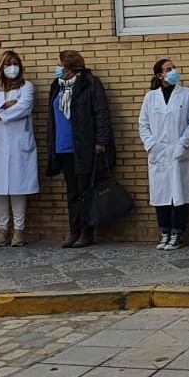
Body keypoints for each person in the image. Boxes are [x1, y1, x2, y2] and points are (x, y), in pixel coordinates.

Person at [44, 50, 115, 249]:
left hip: (84, 145)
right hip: (63, 146)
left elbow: (100, 111)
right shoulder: (56, 86)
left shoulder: (90, 83)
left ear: (71, 67)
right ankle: (74, 229)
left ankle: (87, 231)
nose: (58, 69)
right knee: (72, 191)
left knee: (86, 190)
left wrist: (101, 141)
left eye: (61, 65)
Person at [0, 50, 39, 246]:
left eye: (16, 63)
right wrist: (4, 104)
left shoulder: (26, 86)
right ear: (1, 67)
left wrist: (0, 115)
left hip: (19, 144)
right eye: (8, 64)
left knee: (18, 189)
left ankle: (19, 231)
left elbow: (24, 107)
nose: (12, 67)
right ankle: (2, 230)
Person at [139, 58, 189, 251]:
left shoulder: (186, 94)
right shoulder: (150, 97)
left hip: (178, 151)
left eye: (174, 68)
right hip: (158, 154)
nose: (173, 71)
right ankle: (164, 232)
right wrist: (151, 146)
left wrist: (183, 143)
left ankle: (177, 234)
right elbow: (143, 124)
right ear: (160, 75)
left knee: (179, 195)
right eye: (168, 69)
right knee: (161, 195)